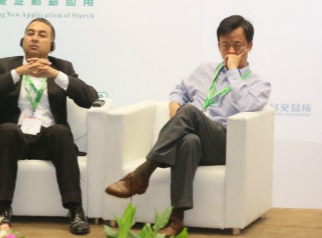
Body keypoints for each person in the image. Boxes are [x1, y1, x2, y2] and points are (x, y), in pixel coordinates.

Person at [105, 15, 271, 237]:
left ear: (249, 46)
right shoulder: (204, 71)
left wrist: (233, 71)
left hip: (224, 143)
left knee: (191, 111)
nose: (230, 51)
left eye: (237, 45)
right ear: (218, 45)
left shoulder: (259, 84)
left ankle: (142, 174)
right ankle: (176, 220)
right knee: (188, 141)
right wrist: (174, 104)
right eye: (225, 45)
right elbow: (179, 90)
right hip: (197, 139)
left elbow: (246, 106)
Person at [0, 18, 98, 235]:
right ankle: (3, 208)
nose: (34, 38)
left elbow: (90, 99)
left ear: (51, 45)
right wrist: (18, 72)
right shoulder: (5, 65)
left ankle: (75, 209)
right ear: (22, 40)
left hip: (47, 140)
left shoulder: (63, 67)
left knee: (61, 132)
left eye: (42, 35)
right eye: (30, 33)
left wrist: (55, 75)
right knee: (7, 130)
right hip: (13, 139)